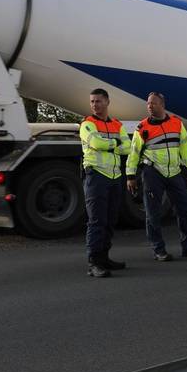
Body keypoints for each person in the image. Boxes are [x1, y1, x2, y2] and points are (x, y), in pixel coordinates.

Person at [126, 92, 187, 261]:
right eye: (148, 103)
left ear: (162, 105)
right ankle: (158, 249)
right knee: (153, 213)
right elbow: (133, 153)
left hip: (175, 172)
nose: (150, 106)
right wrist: (130, 175)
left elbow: (185, 147)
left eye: (153, 103)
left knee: (185, 209)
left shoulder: (177, 124)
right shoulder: (142, 128)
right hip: (152, 173)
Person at [79, 88, 132, 278]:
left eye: (98, 101)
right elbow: (96, 144)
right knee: (96, 221)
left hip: (115, 177)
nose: (94, 105)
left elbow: (129, 147)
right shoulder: (87, 124)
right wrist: (116, 144)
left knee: (110, 220)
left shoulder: (117, 124)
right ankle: (93, 263)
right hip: (96, 176)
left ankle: (104, 258)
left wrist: (112, 145)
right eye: (92, 101)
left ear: (107, 102)